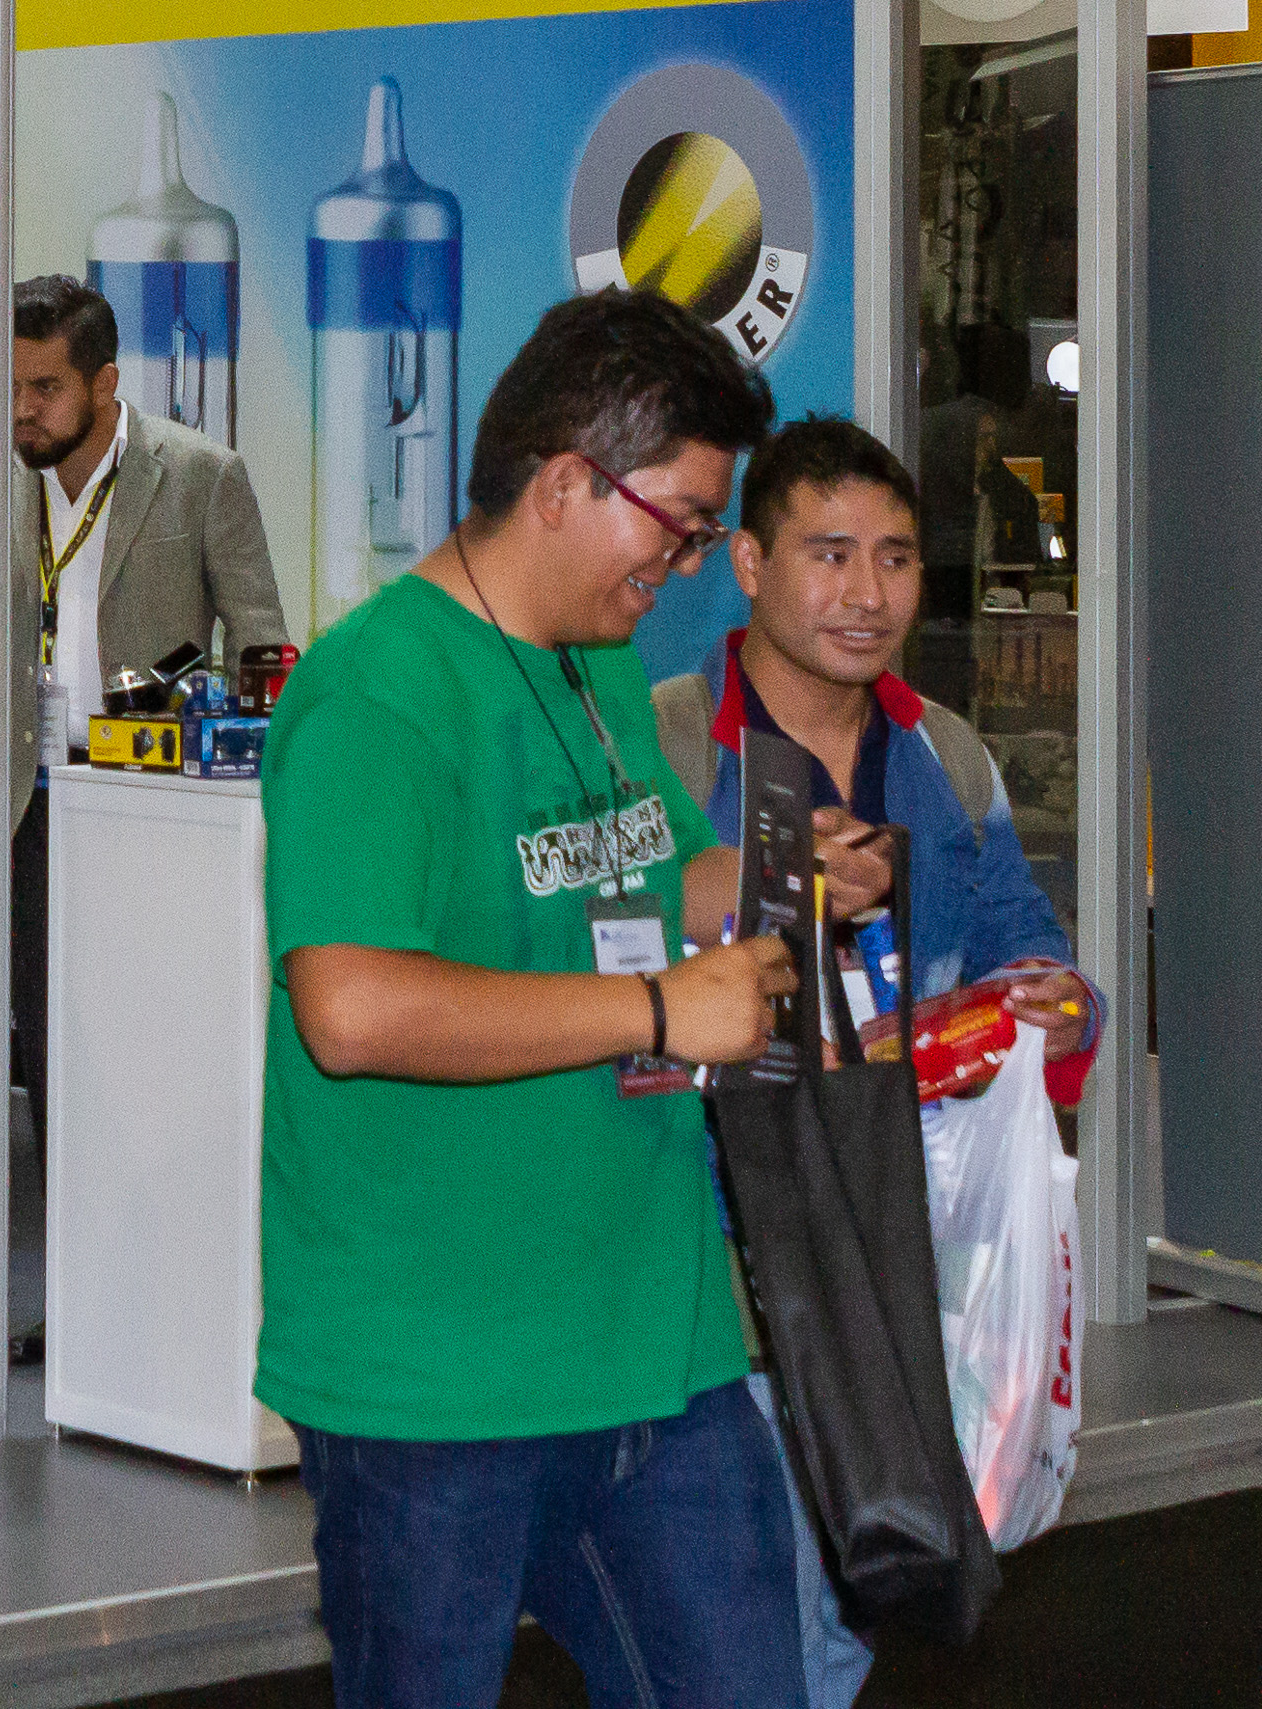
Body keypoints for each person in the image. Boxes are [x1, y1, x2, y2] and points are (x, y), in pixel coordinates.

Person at [260, 288, 865, 1709]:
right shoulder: (377, 695)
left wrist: (778, 873)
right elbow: (348, 1005)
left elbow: (637, 883)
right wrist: (658, 1012)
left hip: (654, 1341)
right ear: (564, 484)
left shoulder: (590, 659)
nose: (698, 562)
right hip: (436, 1371)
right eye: (682, 524)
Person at [667, 415, 1097, 1709]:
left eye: (897, 558)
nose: (868, 595)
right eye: (831, 553)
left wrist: (1059, 1006)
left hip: (912, 1249)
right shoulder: (673, 751)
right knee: (773, 1594)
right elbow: (613, 984)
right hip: (727, 1256)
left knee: (856, 1574)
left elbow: (1028, 944)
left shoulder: (945, 758)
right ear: (747, 563)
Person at [0, 274, 289, 1179]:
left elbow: (264, 648)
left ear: (105, 382)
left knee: (156, 1051)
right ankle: (69, 1287)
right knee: (51, 1050)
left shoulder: (201, 475)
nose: (21, 410)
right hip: (24, 806)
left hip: (152, 808)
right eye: (6, 387)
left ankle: (161, 1271)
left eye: (42, 388)